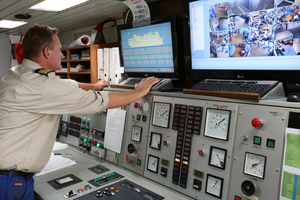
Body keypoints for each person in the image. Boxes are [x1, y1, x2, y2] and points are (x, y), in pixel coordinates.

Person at [0, 24, 159, 200]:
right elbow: (99, 102)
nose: (61, 54)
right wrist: (139, 93)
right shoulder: (43, 86)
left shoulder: (18, 73)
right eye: (59, 50)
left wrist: (95, 86)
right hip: (9, 181)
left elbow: (66, 84)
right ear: (47, 52)